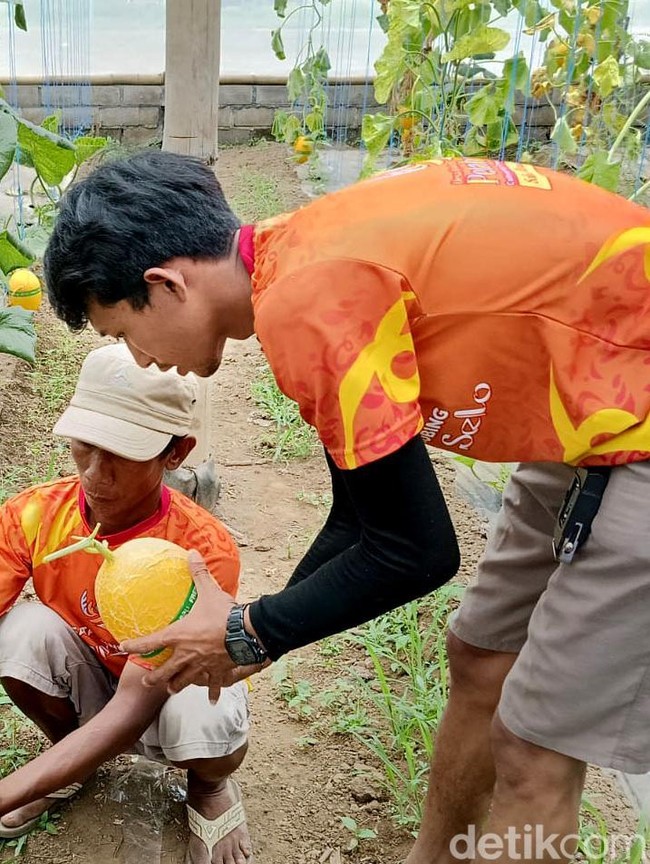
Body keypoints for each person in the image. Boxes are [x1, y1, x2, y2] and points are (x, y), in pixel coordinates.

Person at [43, 150, 650, 863]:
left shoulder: (310, 304)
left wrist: (247, 633)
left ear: (165, 283)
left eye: (122, 334)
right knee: (482, 658)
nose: (140, 360)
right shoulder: (299, 262)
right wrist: (252, 639)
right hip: (593, 403)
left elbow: (420, 552)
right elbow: (361, 516)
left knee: (532, 749)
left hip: (634, 419)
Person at [0, 343, 252, 864]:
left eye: (123, 452)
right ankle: (70, 756)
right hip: (90, 675)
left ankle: (206, 788)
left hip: (160, 688)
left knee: (208, 706)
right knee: (19, 633)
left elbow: (136, 703)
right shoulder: (33, 517)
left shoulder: (201, 551)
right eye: (85, 444)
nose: (95, 473)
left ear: (176, 453)